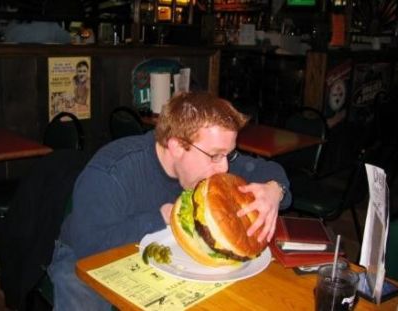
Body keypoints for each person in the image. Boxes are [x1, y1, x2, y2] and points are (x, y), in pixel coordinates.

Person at [48, 92, 291, 310]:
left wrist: (274, 191)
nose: (225, 166)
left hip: (167, 255)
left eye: (229, 154)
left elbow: (269, 171)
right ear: (176, 146)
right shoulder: (112, 171)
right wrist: (162, 217)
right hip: (87, 254)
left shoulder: (212, 161)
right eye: (216, 155)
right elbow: (88, 244)